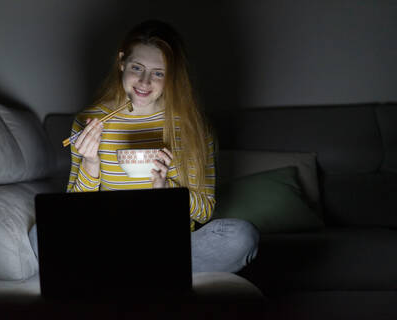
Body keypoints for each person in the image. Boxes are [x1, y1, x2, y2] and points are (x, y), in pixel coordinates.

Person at [31, 19, 259, 273]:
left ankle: (119, 273)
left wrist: (167, 191)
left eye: (158, 73)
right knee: (40, 233)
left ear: (172, 75)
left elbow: (204, 211)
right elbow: (73, 213)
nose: (144, 82)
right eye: (137, 67)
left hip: (170, 243)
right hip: (106, 241)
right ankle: (142, 272)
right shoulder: (89, 121)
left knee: (241, 236)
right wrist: (90, 163)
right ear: (121, 62)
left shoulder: (194, 126)